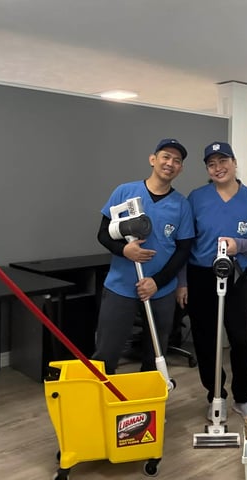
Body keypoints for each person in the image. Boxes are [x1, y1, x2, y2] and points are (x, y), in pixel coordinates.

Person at [177, 141, 247, 421]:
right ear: (207, 168)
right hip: (200, 276)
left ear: (234, 163)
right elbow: (184, 243)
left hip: (236, 276)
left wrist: (238, 245)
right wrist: (182, 282)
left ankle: (243, 397)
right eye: (211, 164)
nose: (218, 168)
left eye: (223, 161)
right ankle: (215, 394)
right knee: (206, 340)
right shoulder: (196, 198)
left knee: (241, 338)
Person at [93, 138, 194, 374]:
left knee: (155, 356)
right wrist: (124, 250)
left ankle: (148, 407)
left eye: (176, 160)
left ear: (180, 168)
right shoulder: (125, 192)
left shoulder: (182, 205)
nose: (170, 163)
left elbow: (183, 250)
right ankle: (100, 405)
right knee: (106, 353)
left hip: (161, 290)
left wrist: (157, 282)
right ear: (153, 159)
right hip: (121, 286)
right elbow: (102, 233)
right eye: (165, 157)